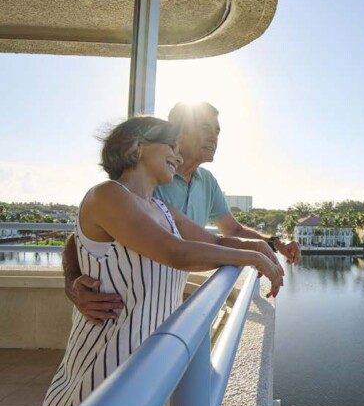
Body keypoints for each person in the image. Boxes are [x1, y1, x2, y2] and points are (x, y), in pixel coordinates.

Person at [28, 116, 283, 406]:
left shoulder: (161, 208)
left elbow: (214, 242)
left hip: (146, 365)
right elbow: (175, 253)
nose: (177, 157)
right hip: (102, 367)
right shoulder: (107, 196)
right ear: (138, 145)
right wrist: (251, 259)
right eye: (172, 148)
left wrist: (260, 247)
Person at [64, 102, 301, 325]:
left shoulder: (198, 187)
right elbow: (84, 238)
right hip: (111, 327)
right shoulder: (124, 189)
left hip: (158, 316)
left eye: (217, 130)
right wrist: (72, 284)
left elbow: (229, 233)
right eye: (205, 127)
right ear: (178, 133)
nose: (214, 137)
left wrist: (269, 245)